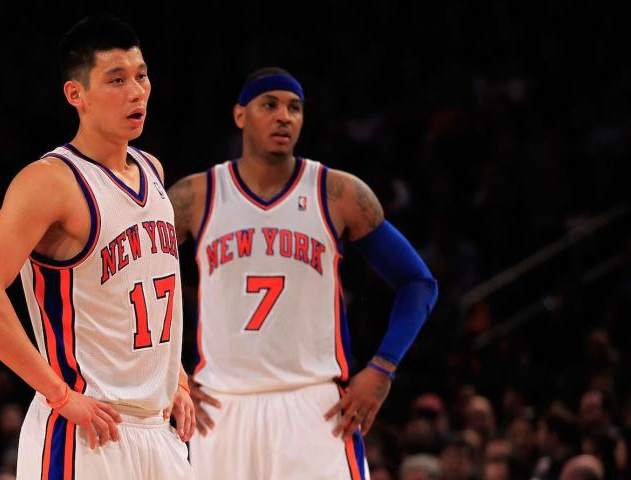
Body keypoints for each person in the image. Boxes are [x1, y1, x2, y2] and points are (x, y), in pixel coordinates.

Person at [0, 14, 194, 480]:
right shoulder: (50, 182)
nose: (136, 91)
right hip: (84, 432)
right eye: (117, 80)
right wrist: (60, 396)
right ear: (75, 94)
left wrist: (176, 377)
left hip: (157, 430)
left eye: (141, 76)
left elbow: (141, 296)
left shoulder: (153, 171)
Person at [167, 67, 438, 479]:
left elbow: (418, 283)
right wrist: (170, 373)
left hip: (314, 405)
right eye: (270, 105)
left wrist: (383, 368)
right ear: (240, 115)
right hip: (221, 406)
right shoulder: (195, 197)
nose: (284, 117)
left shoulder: (339, 194)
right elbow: (135, 283)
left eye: (294, 108)